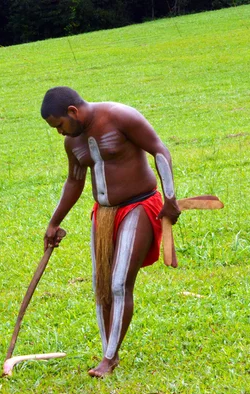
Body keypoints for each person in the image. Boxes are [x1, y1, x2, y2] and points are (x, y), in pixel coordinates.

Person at [41, 86, 181, 377]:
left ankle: (109, 357)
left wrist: (170, 199)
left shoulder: (121, 116)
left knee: (119, 284)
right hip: (102, 214)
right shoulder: (72, 143)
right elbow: (74, 182)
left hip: (140, 206)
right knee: (101, 285)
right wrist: (54, 222)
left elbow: (159, 150)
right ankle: (108, 351)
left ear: (72, 112)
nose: (60, 134)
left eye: (60, 126)